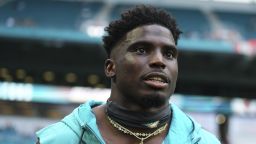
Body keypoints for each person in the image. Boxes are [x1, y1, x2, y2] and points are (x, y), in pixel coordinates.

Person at [36, 5, 220, 144]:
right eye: (141, 50)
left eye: (169, 54)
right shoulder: (60, 139)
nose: (159, 61)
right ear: (110, 68)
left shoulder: (203, 142)